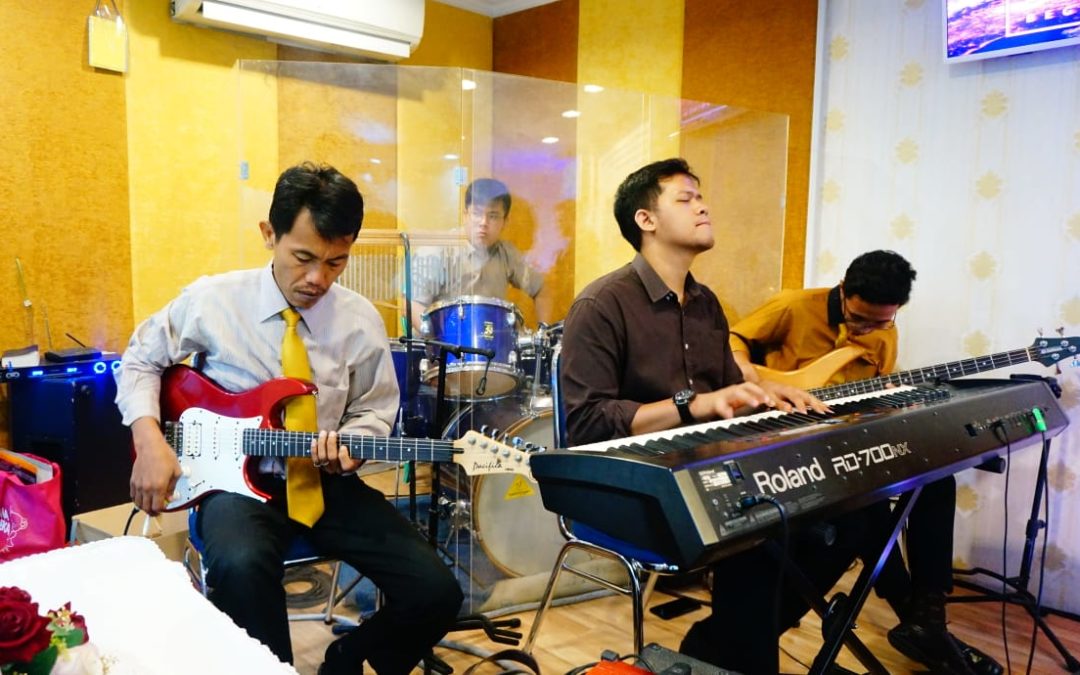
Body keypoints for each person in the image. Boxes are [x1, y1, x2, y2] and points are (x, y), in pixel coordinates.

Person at [115, 162, 463, 675]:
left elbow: (374, 407)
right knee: (240, 566)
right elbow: (140, 359)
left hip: (324, 485)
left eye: (336, 262)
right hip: (232, 488)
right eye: (303, 258)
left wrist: (352, 444)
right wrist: (149, 442)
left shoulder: (359, 320)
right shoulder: (213, 301)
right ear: (269, 234)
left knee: (437, 590)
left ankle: (348, 658)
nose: (318, 278)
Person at [560, 158, 836, 674]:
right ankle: (726, 646)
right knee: (760, 535)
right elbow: (588, 423)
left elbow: (728, 391)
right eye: (685, 199)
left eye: (701, 197)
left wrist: (767, 392)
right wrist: (691, 404)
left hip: (708, 470)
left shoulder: (706, 304)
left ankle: (718, 643)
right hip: (635, 480)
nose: (702, 206)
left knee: (847, 517)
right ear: (646, 220)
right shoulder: (601, 304)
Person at [730, 250, 1001, 674]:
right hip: (783, 440)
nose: (866, 330)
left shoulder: (886, 333)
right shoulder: (793, 306)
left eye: (880, 322)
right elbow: (732, 339)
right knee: (868, 511)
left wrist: (895, 402)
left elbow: (869, 398)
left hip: (841, 440)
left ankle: (927, 610)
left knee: (937, 477)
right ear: (843, 290)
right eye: (858, 318)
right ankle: (922, 623)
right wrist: (751, 374)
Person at [410, 177, 553, 324]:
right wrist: (434, 334)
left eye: (493, 216)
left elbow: (542, 290)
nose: (484, 223)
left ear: (505, 222)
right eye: (477, 213)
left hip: (490, 336)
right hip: (442, 336)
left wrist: (543, 331)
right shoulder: (438, 250)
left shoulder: (507, 254)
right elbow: (411, 304)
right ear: (465, 215)